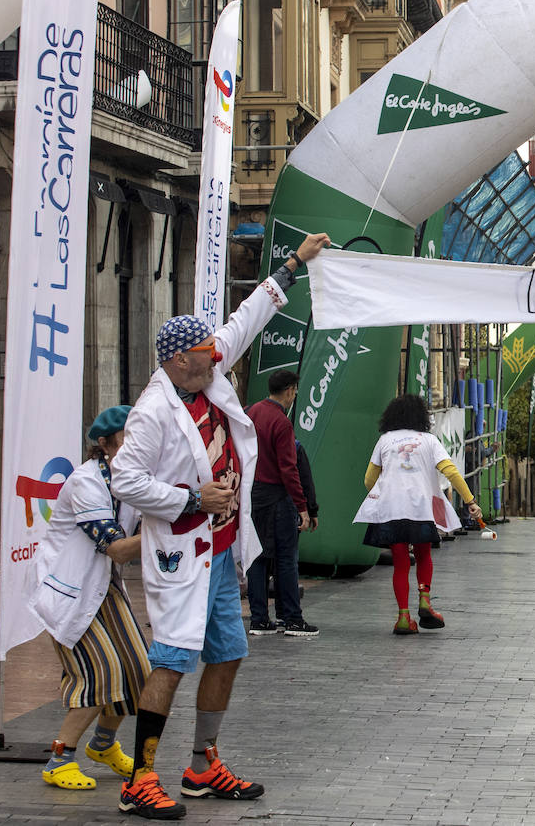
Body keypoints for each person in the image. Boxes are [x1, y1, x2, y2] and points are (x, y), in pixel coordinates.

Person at [110, 231, 331, 819]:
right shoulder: (154, 411)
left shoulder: (205, 371)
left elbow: (247, 317)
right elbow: (124, 481)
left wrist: (294, 263)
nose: (219, 356)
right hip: (182, 552)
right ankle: (140, 778)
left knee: (228, 652)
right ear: (178, 360)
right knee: (172, 658)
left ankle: (203, 765)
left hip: (223, 548)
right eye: (209, 352)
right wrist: (189, 498)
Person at [31, 406, 149, 791]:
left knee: (139, 669)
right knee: (100, 673)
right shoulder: (86, 482)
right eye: (127, 438)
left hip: (104, 587)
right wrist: (169, 530)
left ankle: (103, 745)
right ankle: (59, 758)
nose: (137, 445)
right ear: (104, 444)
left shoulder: (130, 477)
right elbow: (115, 548)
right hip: (68, 589)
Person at [354, 395, 483, 635]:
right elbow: (451, 471)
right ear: (422, 417)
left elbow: (369, 479)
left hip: (392, 509)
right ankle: (425, 600)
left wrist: (385, 490)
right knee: (423, 555)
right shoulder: (429, 440)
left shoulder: (384, 440)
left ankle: (403, 617)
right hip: (421, 508)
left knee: (401, 562)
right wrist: (470, 501)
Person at [244, 369, 317, 636]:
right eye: (295, 391)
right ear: (289, 390)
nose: (294, 395)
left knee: (258, 557)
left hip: (253, 493)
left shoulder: (250, 412)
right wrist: (303, 507)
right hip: (276, 496)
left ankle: (259, 618)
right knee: (286, 558)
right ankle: (291, 617)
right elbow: (289, 468)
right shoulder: (281, 422)